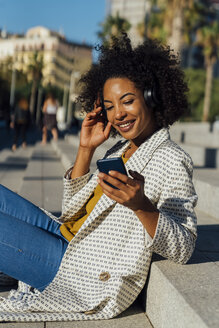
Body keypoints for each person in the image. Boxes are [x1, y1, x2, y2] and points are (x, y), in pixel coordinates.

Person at [0, 34, 197, 322]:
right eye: (110, 105)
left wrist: (141, 205)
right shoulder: (122, 148)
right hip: (66, 236)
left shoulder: (171, 157)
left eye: (127, 101)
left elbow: (185, 246)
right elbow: (71, 212)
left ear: (151, 96)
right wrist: (85, 149)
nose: (118, 114)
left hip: (84, 271)